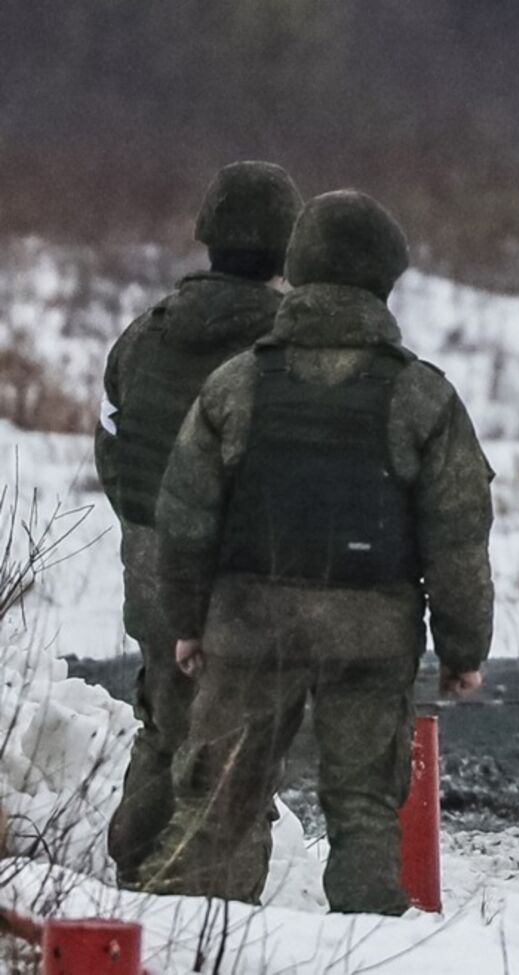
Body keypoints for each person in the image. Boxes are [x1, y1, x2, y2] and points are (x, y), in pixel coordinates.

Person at [139, 190, 495, 912]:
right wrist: (463, 648)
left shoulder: (235, 386)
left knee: (214, 805)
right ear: (386, 282)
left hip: (248, 624)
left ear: (296, 271)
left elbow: (183, 518)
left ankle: (185, 941)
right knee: (365, 805)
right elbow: (457, 532)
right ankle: (368, 945)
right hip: (373, 631)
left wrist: (187, 620)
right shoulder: (422, 396)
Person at [97, 161, 303, 893]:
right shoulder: (289, 344)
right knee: (238, 745)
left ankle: (135, 876)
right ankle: (213, 906)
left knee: (163, 723)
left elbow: (112, 443)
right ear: (288, 247)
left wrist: (145, 526)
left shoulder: (143, 335)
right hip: (244, 569)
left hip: (152, 561)